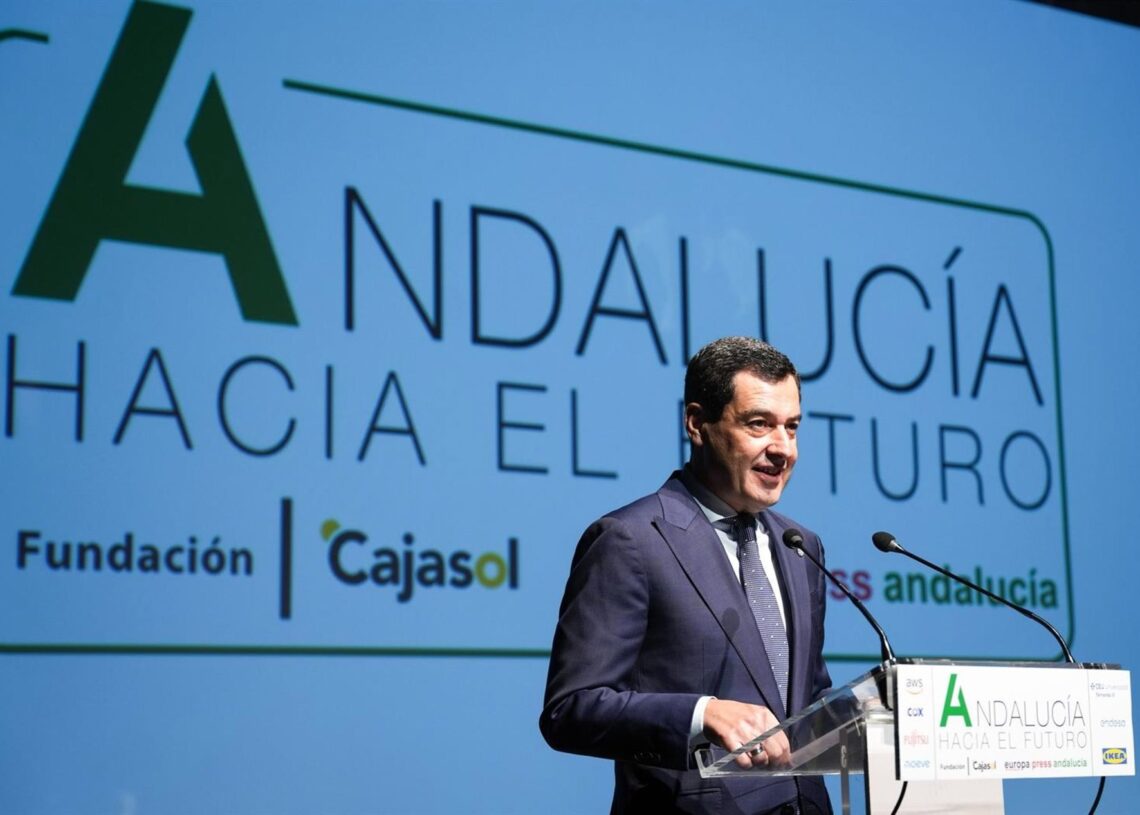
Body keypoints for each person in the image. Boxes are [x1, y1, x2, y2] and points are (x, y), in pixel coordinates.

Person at [540, 336, 833, 815]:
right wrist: (702, 713)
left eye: (792, 428)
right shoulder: (630, 540)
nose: (783, 449)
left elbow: (808, 697)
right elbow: (570, 709)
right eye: (759, 424)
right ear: (697, 423)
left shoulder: (800, 547)